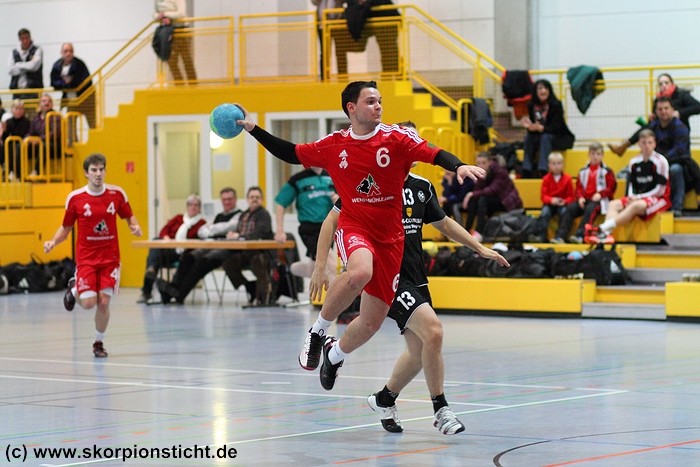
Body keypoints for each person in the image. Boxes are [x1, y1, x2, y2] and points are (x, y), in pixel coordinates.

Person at [234, 80, 484, 391]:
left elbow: (434, 153)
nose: (378, 106)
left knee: (370, 323)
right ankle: (318, 331)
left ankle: (334, 354)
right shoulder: (334, 144)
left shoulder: (397, 137)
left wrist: (458, 166)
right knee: (360, 271)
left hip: (390, 239)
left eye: (380, 101)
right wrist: (254, 129)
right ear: (351, 108)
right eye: (370, 101)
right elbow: (291, 153)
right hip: (355, 226)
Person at [310, 170, 509, 434]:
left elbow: (444, 223)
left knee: (415, 350)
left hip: (417, 278)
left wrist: (479, 248)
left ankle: (381, 397)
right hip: (389, 274)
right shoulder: (370, 181)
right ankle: (441, 409)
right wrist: (320, 265)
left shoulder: (422, 186)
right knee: (433, 331)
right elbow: (331, 221)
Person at [43, 153, 142, 358]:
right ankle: (74, 291)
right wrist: (53, 242)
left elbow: (129, 216)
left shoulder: (117, 194)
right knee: (89, 303)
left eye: (101, 169)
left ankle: (98, 343)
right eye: (94, 170)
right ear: (86, 173)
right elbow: (66, 227)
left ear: (105, 171)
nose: (98, 174)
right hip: (87, 258)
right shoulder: (76, 198)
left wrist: (135, 227)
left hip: (110, 259)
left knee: (103, 303)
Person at [154, 187, 243, 305]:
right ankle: (173, 289)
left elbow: (229, 227)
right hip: (209, 246)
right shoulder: (218, 216)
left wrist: (211, 229)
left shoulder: (240, 215)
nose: (227, 202)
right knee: (188, 257)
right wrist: (213, 230)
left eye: (229, 199)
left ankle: (179, 294)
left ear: (235, 199)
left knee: (201, 262)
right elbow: (202, 231)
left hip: (224, 250)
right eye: (224, 199)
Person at [585, 130, 670, 244]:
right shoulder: (634, 161)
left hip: (659, 198)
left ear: (654, 144)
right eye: (644, 143)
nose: (647, 146)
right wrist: (630, 197)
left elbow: (660, 190)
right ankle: (606, 235)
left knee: (636, 205)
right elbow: (631, 184)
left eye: (650, 143)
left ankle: (601, 228)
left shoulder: (661, 161)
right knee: (613, 204)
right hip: (639, 197)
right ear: (639, 144)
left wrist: (638, 197)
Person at [137, 194, 207, 303]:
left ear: (199, 208)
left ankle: (149, 286)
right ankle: (152, 274)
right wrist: (167, 239)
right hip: (169, 247)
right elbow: (164, 230)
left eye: (196, 205)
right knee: (156, 243)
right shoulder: (178, 218)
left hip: (183, 252)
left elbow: (198, 241)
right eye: (191, 205)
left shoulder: (202, 223)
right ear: (187, 206)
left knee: (153, 259)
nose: (193, 207)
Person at [609, 73, 700, 156]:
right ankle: (624, 145)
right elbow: (655, 119)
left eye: (666, 83)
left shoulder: (681, 95)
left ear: (672, 84)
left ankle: (625, 145)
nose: (663, 85)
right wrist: (651, 117)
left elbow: (697, 107)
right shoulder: (658, 99)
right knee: (645, 129)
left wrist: (680, 113)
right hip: (661, 132)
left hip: (677, 131)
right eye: (660, 84)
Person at [274, 166, 336, 281]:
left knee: (313, 269)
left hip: (329, 227)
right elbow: (281, 204)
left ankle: (284, 269)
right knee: (330, 264)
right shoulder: (297, 179)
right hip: (310, 228)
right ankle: (336, 293)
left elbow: (345, 199)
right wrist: (280, 230)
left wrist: (338, 200)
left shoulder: (331, 176)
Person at [551, 142, 616, 244]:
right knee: (570, 208)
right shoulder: (583, 171)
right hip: (585, 200)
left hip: (599, 201)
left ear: (602, 155)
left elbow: (612, 187)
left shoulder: (607, 171)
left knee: (590, 209)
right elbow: (579, 187)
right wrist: (580, 197)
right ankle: (560, 237)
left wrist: (600, 194)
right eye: (593, 154)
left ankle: (580, 235)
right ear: (589, 154)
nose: (595, 157)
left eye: (598, 154)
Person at [220, 186, 275, 305]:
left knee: (257, 261)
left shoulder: (264, 215)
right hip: (244, 252)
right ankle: (250, 287)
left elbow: (259, 233)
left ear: (262, 199)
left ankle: (263, 297)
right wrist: (233, 234)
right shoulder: (243, 215)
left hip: (261, 252)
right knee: (228, 264)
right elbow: (239, 231)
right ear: (247, 199)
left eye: (257, 197)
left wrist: (240, 236)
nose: (254, 199)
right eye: (252, 197)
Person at [520, 79, 575, 178]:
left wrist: (541, 128)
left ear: (549, 90)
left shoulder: (556, 104)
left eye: (545, 88)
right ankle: (526, 169)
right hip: (541, 136)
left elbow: (557, 126)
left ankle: (543, 169)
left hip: (559, 137)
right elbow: (534, 125)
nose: (543, 91)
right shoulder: (531, 105)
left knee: (546, 137)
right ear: (536, 91)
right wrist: (529, 127)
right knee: (528, 137)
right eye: (540, 88)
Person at [463, 152, 523, 242]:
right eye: (478, 163)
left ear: (490, 162)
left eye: (484, 163)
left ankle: (479, 232)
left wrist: (471, 194)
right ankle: (466, 231)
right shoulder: (480, 172)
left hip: (507, 202)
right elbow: (478, 190)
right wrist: (480, 181)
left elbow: (493, 189)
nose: (481, 166)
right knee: (474, 200)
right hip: (492, 200)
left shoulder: (500, 171)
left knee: (481, 199)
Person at [336, 0, 401, 75]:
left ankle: (393, 75)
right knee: (388, 52)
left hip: (387, 20)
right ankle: (391, 75)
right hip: (368, 20)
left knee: (388, 52)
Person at [50, 43, 95, 128]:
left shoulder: (79, 64)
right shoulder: (57, 66)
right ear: (61, 52)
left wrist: (71, 82)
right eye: (66, 51)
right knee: (70, 124)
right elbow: (53, 82)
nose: (68, 53)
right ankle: (72, 138)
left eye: (71, 51)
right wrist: (64, 83)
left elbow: (86, 81)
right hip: (70, 100)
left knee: (92, 123)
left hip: (85, 98)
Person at [534, 152, 575, 243]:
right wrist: (551, 200)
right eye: (554, 164)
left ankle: (560, 237)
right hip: (549, 204)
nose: (557, 166)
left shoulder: (568, 179)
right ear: (549, 165)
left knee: (565, 212)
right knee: (544, 213)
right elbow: (543, 196)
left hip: (562, 204)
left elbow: (571, 196)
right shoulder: (546, 178)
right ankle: (541, 236)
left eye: (559, 163)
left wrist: (565, 201)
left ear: (563, 164)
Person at [154, 0, 197, 83]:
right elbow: (155, 13)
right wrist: (162, 18)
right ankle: (179, 85)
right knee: (171, 61)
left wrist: (166, 15)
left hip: (182, 30)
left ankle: (193, 85)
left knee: (187, 60)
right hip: (169, 32)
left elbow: (181, 13)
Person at [27, 93, 62, 175]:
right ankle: (16, 174)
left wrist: (39, 139)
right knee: (20, 145)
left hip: (54, 146)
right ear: (39, 104)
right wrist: (28, 139)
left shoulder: (56, 116)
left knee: (44, 146)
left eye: (49, 101)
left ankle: (37, 172)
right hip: (39, 144)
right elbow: (30, 132)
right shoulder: (35, 118)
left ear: (52, 104)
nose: (47, 103)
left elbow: (54, 134)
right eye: (44, 101)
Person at [311, 0, 344, 80]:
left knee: (340, 51)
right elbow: (314, 2)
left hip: (337, 23)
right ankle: (324, 77)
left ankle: (342, 76)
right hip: (322, 25)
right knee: (324, 52)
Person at [8, 28, 43, 101]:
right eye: (23, 39)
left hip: (33, 90)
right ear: (19, 39)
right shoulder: (13, 52)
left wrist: (18, 65)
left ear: (30, 38)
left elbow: (34, 67)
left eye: (27, 38)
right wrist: (27, 66)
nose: (25, 41)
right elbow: (10, 70)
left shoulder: (37, 50)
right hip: (17, 91)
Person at [1, 99, 30, 181]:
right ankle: (4, 171)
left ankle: (17, 174)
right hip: (10, 145)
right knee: (4, 147)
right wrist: (4, 131)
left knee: (16, 147)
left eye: (20, 109)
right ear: (12, 110)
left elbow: (23, 134)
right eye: (16, 108)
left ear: (23, 110)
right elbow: (4, 138)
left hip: (22, 145)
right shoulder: (8, 122)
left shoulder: (27, 122)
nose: (18, 111)